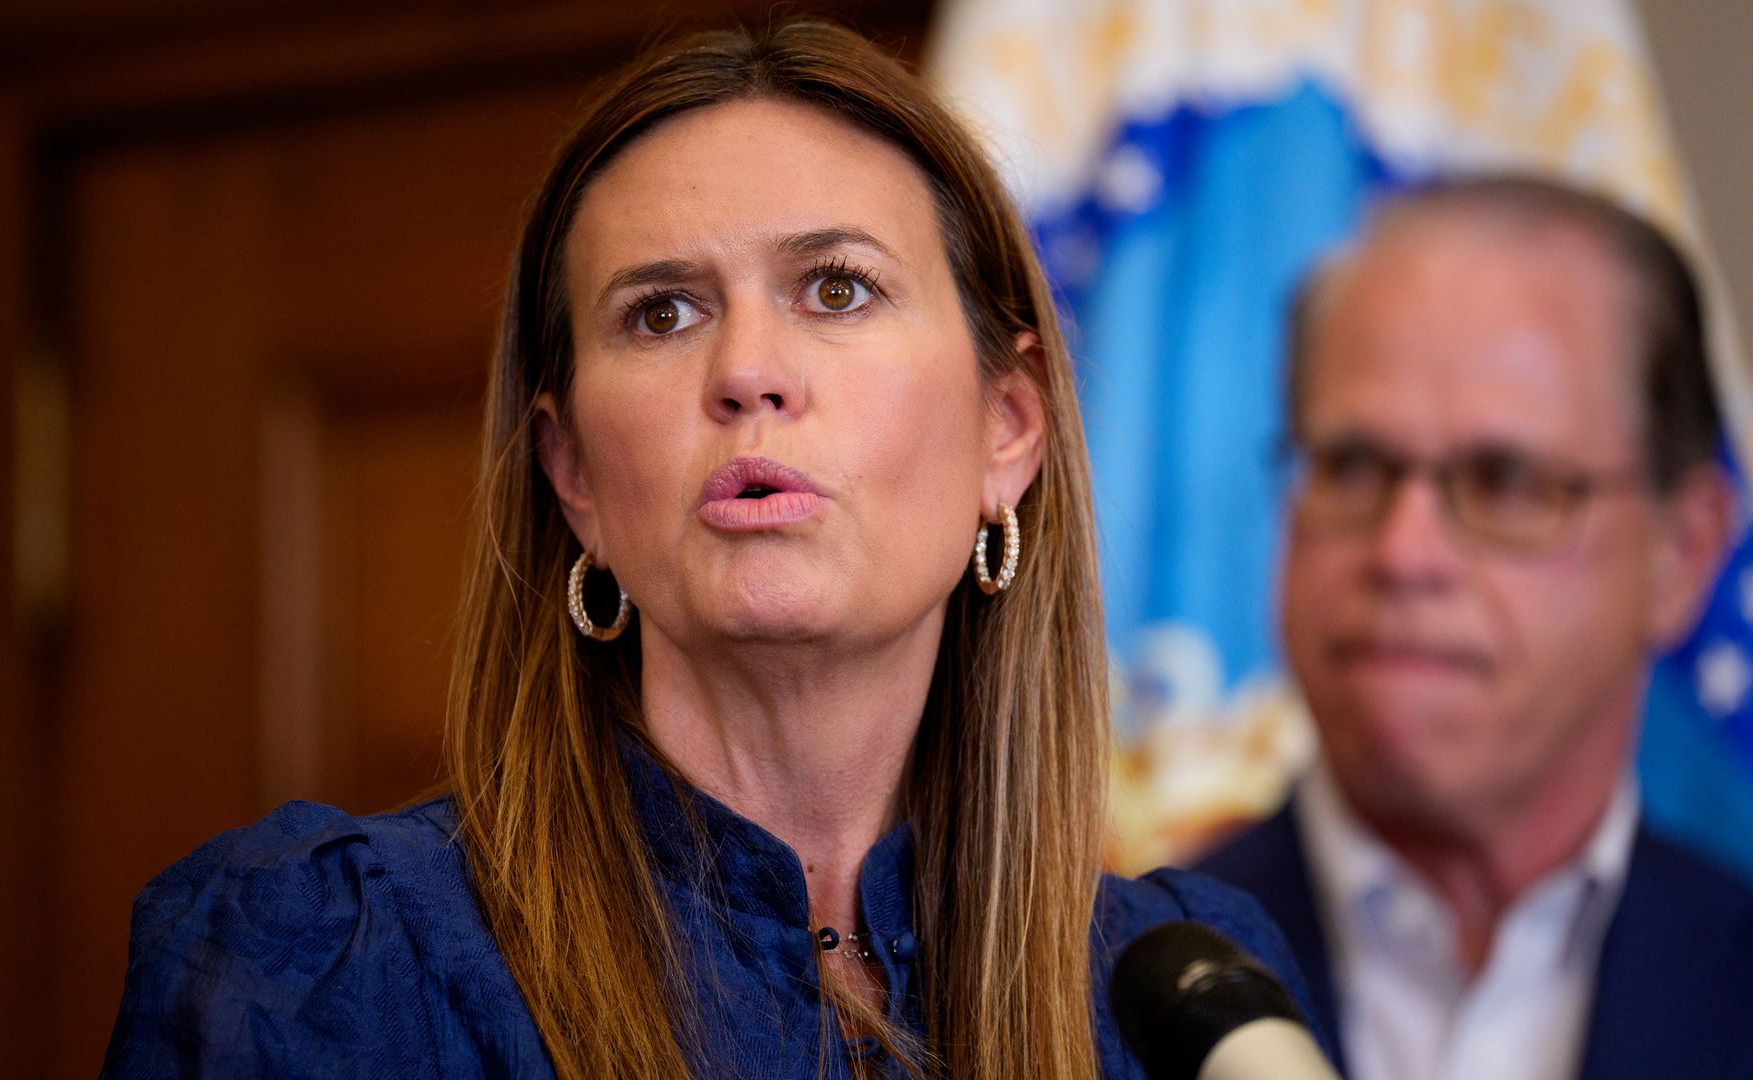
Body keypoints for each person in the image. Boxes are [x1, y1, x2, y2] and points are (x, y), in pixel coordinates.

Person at [101, 21, 1317, 1080]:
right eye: (662, 312)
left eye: (836, 290)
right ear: (571, 473)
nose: (745, 374)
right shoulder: (331, 957)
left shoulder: (1182, 1005)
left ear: (1007, 429)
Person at [1198, 175, 1753, 1080]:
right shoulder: (1086, 988)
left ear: (1683, 552)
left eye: (1504, 482)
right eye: (1351, 465)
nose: (1403, 553)